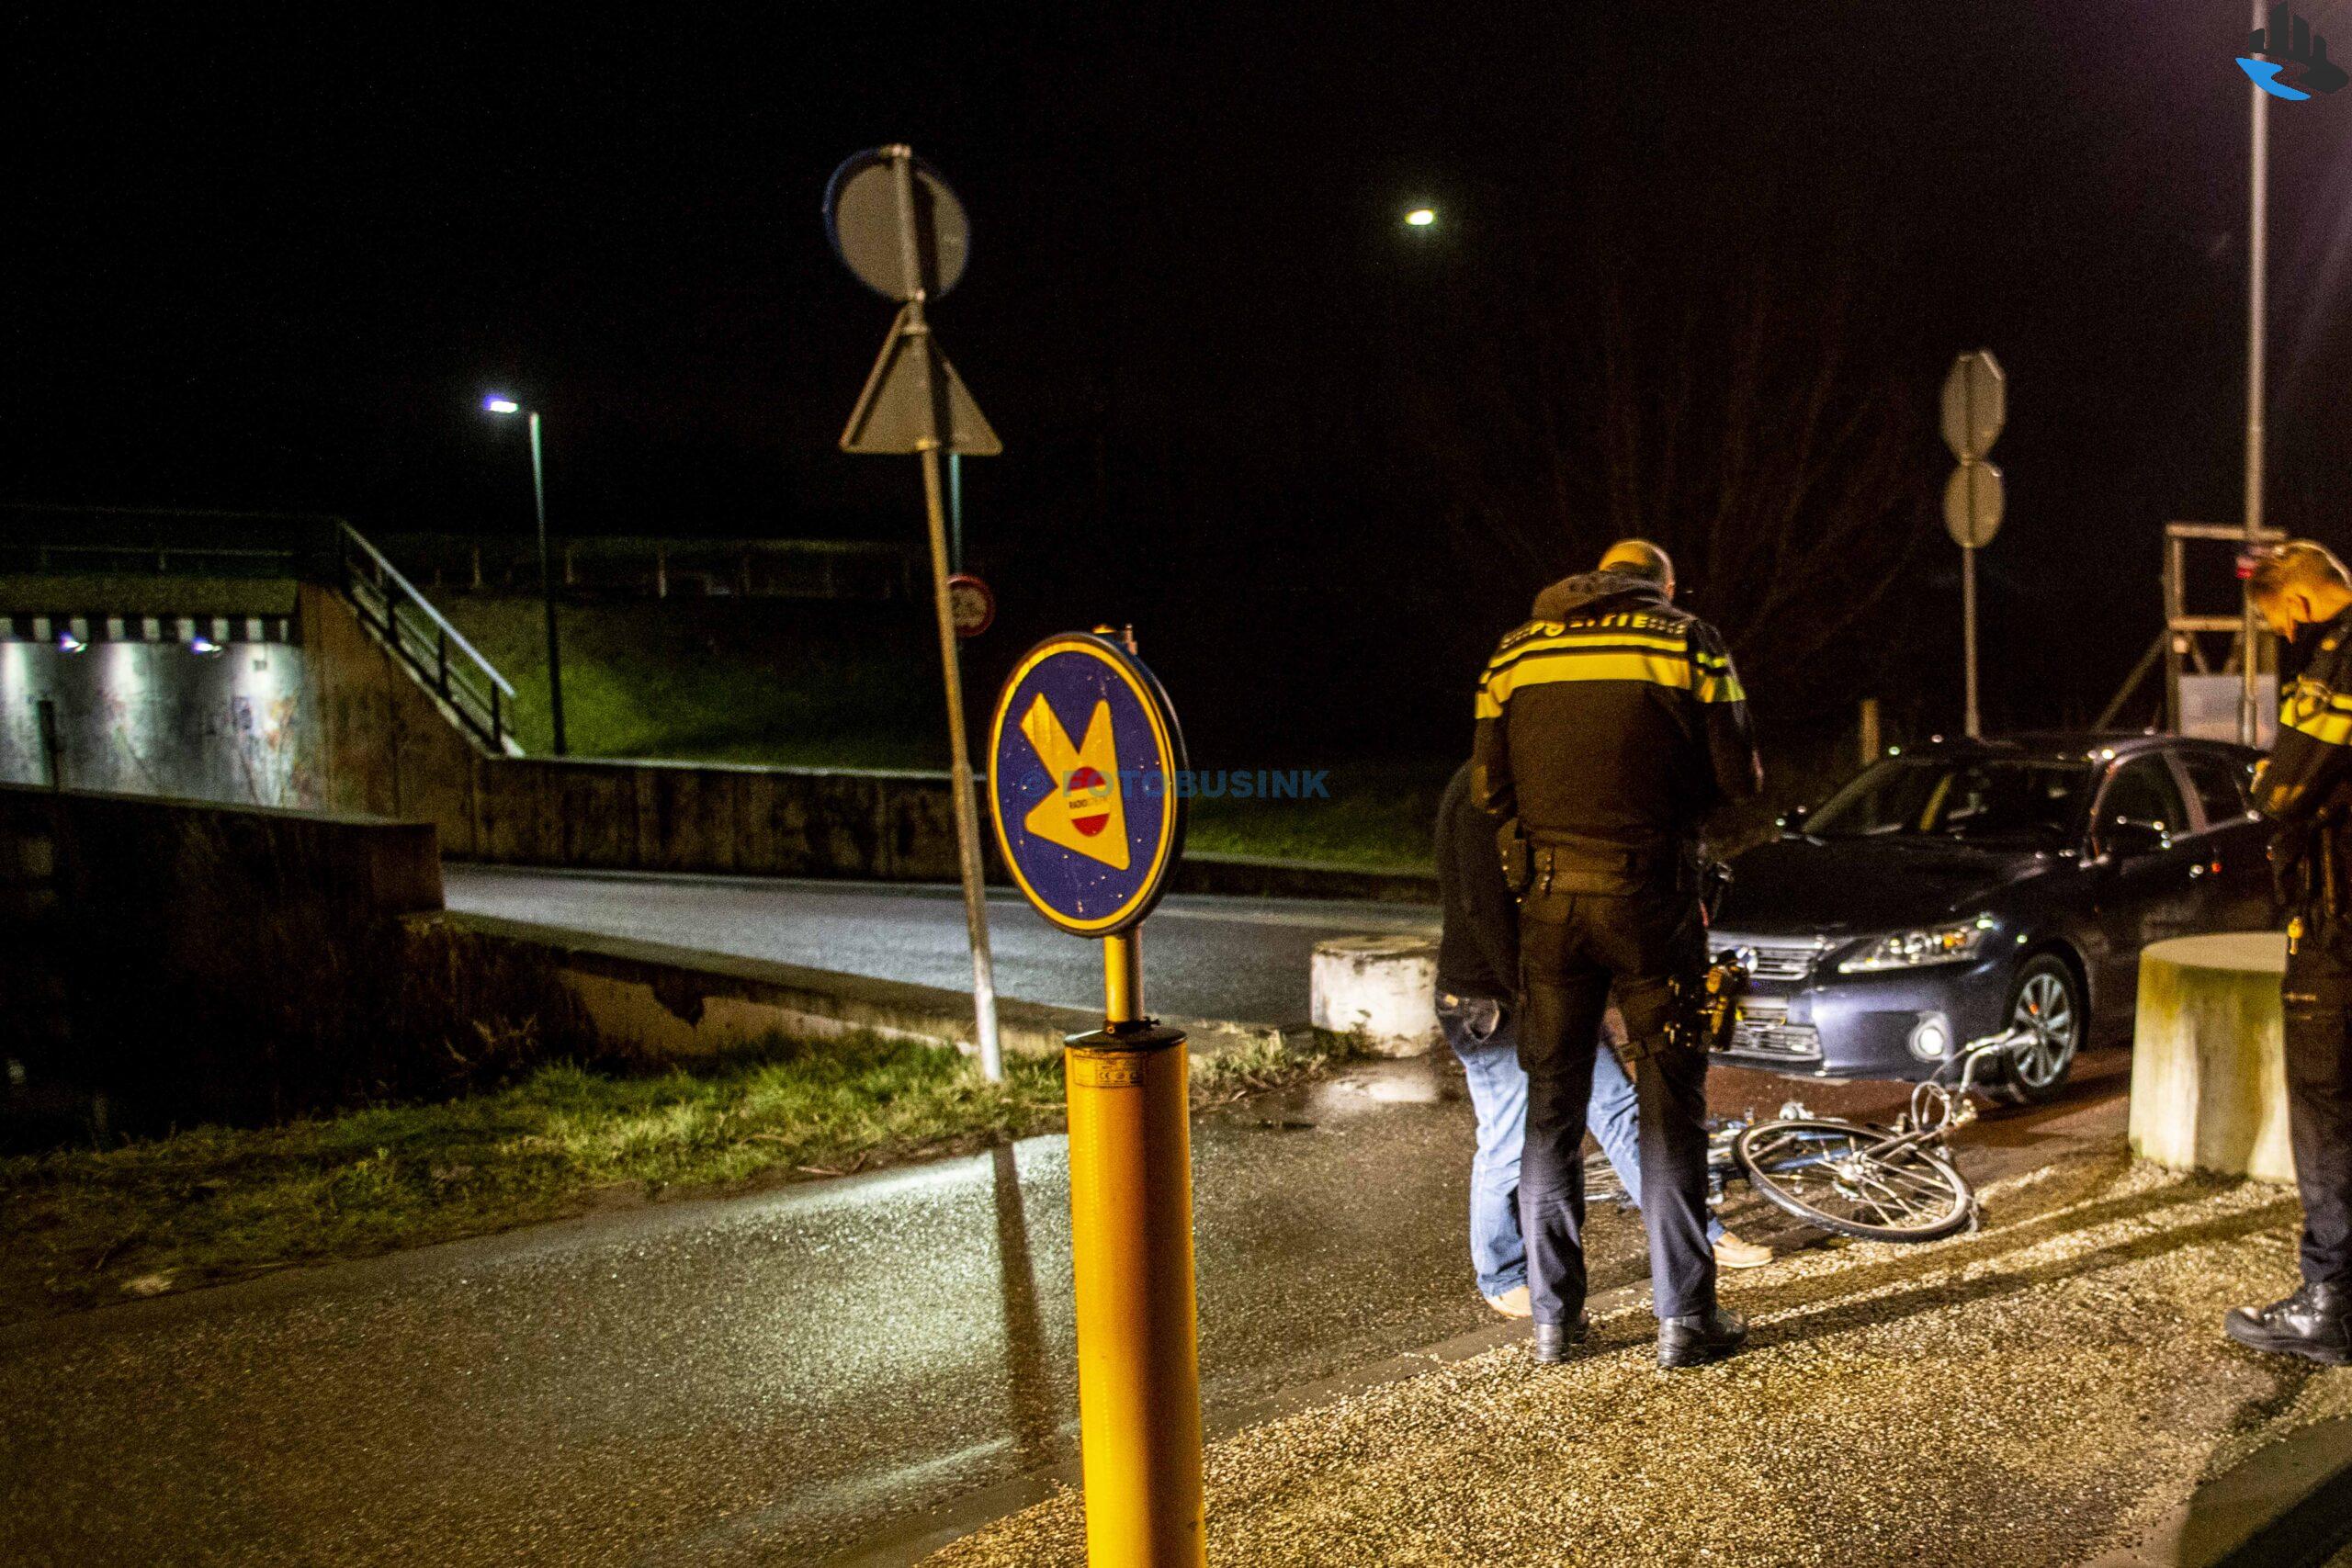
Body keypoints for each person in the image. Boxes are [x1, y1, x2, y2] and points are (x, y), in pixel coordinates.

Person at [1474, 538, 1762, 1368]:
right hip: (1652, 899)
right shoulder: (1689, 640)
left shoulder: (1513, 652)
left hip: (1551, 905)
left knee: (1552, 1109)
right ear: (1661, 585)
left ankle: (1554, 1324)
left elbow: (1491, 788)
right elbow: (1739, 778)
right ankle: (1685, 1318)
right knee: (1671, 1100)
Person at [1433, 761, 1771, 1319]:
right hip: (1492, 998)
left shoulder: (1526, 786)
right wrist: (1529, 992)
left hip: (1545, 986)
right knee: (1509, 1139)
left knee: (1618, 1109)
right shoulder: (1482, 794)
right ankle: (1502, 1276)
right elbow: (1482, 904)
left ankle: (1701, 1234)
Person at [2227, 540, 2352, 1365]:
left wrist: (2269, 780)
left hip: (2338, 928)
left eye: (2276, 620)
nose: (2279, 634)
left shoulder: (2336, 669)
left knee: (2325, 1110)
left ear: (2300, 608)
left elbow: (2281, 790)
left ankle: (2328, 1303)